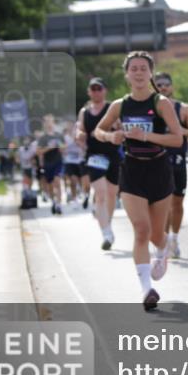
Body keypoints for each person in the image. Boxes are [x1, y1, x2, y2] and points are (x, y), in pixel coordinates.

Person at [94, 52, 183, 311]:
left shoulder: (161, 103)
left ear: (150, 73)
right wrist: (110, 137)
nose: (139, 73)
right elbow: (98, 130)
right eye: (134, 69)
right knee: (141, 230)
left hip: (159, 170)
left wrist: (145, 136)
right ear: (127, 74)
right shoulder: (119, 105)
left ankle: (163, 249)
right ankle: (146, 289)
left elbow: (177, 139)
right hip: (132, 170)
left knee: (156, 234)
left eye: (143, 68)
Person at [155, 72, 188, 259]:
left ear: (172, 87)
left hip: (177, 161)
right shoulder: (149, 109)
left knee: (177, 203)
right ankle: (164, 240)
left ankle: (174, 238)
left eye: (166, 84)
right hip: (156, 161)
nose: (163, 87)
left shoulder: (183, 109)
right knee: (162, 204)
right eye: (159, 84)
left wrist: (180, 130)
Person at [77, 78, 121, 250]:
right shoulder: (84, 112)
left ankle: (107, 223)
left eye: (99, 88)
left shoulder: (112, 108)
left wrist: (117, 128)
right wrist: (80, 135)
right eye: (93, 89)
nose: (96, 92)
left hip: (113, 155)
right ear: (89, 92)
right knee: (101, 193)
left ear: (105, 90)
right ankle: (106, 233)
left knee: (111, 194)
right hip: (95, 155)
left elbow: (121, 127)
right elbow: (80, 129)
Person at [36, 114, 66, 215]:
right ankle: (53, 201)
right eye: (47, 122)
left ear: (53, 123)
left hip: (58, 161)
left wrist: (61, 147)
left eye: (50, 121)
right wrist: (49, 148)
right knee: (50, 185)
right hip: (48, 163)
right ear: (44, 124)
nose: (49, 124)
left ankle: (59, 205)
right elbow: (38, 152)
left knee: (57, 181)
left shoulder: (59, 135)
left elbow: (64, 148)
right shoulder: (43, 138)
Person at [62, 122, 85, 204]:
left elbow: (84, 147)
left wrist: (78, 141)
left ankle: (82, 193)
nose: (72, 128)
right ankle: (74, 198)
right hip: (69, 161)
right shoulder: (65, 137)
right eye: (69, 127)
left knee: (81, 180)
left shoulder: (80, 136)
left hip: (79, 161)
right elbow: (62, 149)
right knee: (73, 180)